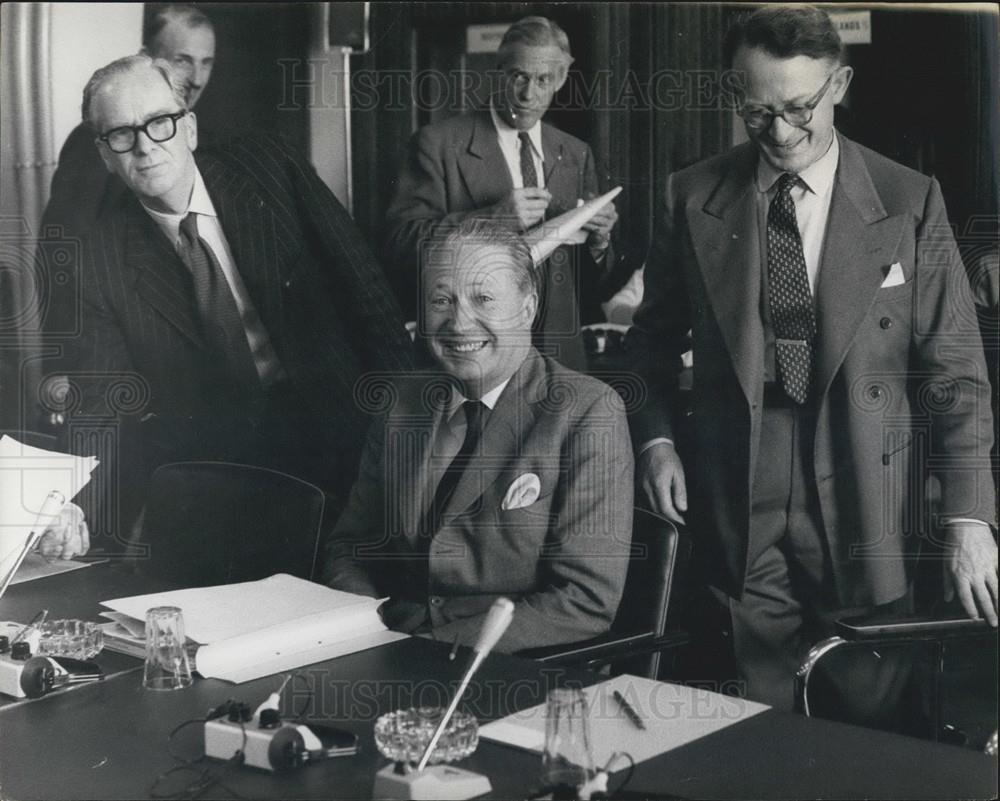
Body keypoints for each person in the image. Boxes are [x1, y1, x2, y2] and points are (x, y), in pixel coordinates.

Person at [629, 5, 997, 710]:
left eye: (801, 108)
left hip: (867, 480)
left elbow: (956, 374)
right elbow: (647, 343)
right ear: (736, 93)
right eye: (758, 111)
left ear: (840, 85)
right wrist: (654, 440)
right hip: (740, 484)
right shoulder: (691, 194)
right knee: (755, 714)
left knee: (867, 719)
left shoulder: (910, 200)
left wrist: (969, 518)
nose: (782, 133)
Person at [53, 55, 413, 541]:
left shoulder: (268, 168)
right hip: (222, 470)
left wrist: (414, 428)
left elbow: (366, 291)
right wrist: (72, 506)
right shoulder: (99, 258)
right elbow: (98, 402)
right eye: (121, 134)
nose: (145, 147)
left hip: (343, 424)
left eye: (160, 123)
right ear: (104, 155)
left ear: (190, 129)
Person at [324, 221, 633, 653]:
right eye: (441, 300)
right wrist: (359, 626)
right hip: (387, 646)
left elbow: (585, 600)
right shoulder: (403, 401)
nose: (459, 323)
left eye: (484, 298)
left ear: (528, 308)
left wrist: (427, 650)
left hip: (509, 667)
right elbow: (351, 545)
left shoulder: (585, 411)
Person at [385, 16, 619, 372]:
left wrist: (600, 244)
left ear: (560, 80)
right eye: (518, 77)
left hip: (559, 358)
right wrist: (493, 219)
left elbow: (590, 285)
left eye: (542, 80)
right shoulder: (438, 144)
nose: (528, 94)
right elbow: (401, 246)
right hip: (470, 349)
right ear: (498, 73)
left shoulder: (574, 152)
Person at [41, 5, 216, 246]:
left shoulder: (202, 137)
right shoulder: (101, 138)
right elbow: (62, 245)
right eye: (183, 61)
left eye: (205, 62)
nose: (197, 79)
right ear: (146, 57)